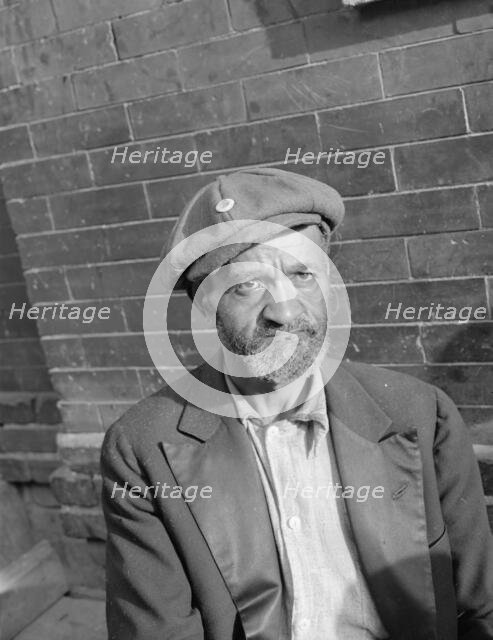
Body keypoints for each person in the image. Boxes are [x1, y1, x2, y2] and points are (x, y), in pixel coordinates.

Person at [101, 168, 493, 640]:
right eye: (247, 284)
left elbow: (479, 607)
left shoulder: (422, 414)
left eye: (301, 274)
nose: (284, 310)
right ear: (204, 305)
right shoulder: (143, 446)